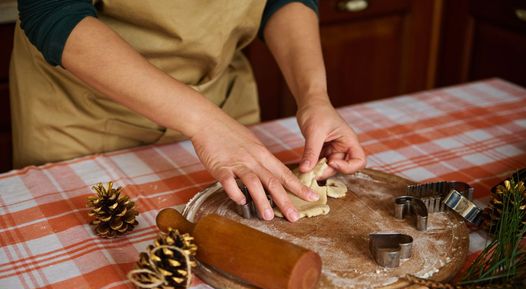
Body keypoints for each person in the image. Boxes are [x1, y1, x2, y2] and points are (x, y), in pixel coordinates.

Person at [11, 0, 366, 222]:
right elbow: (51, 10)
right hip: (83, 114)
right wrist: (205, 122)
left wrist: (314, 95)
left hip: (222, 102)